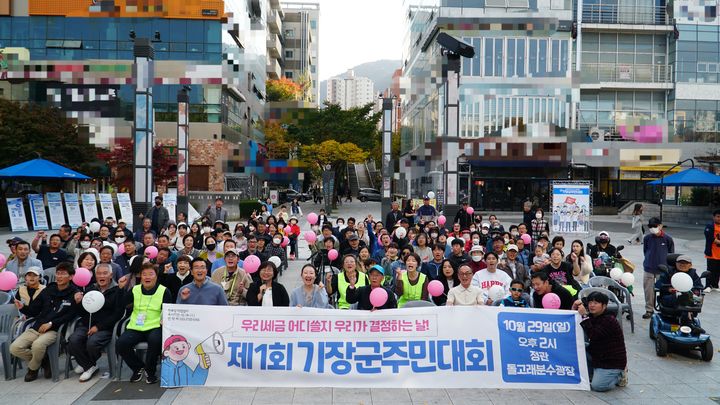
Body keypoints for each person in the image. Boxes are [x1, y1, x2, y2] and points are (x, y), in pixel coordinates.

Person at [11, 262, 80, 381]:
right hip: (37, 327)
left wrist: (51, 324)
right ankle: (43, 361)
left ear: (71, 276)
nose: (59, 276)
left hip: (55, 329)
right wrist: (23, 307)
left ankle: (32, 369)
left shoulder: (74, 293)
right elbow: (34, 310)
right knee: (15, 348)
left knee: (37, 345)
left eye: (63, 274)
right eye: (58, 273)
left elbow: (69, 315)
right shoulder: (49, 289)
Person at [116, 262, 173, 384]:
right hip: (136, 326)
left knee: (155, 341)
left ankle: (150, 371)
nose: (147, 277)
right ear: (140, 277)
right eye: (144, 274)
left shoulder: (164, 291)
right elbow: (121, 304)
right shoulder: (135, 290)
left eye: (150, 274)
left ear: (156, 276)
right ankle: (138, 367)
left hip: (156, 325)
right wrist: (120, 289)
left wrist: (164, 320)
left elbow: (169, 310)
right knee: (121, 343)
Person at [67, 263, 124, 382]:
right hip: (87, 324)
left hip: (106, 327)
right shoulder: (90, 289)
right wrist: (77, 302)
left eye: (105, 273)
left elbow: (117, 314)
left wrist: (98, 327)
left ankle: (86, 364)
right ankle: (89, 365)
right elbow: (83, 312)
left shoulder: (117, 290)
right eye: (99, 273)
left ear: (111, 275)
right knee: (73, 340)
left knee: (92, 343)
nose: (101, 276)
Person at [573, 292, 628, 392]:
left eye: (596, 303)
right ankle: (595, 373)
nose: (592, 305)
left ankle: (619, 376)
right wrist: (575, 307)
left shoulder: (609, 320)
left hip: (611, 362)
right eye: (590, 302)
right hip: (597, 355)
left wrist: (584, 315)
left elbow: (593, 335)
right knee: (577, 346)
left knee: (597, 386)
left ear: (604, 306)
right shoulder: (594, 316)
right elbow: (577, 321)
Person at [642, 217, 674, 319]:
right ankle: (649, 310)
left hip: (663, 270)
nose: (652, 228)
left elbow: (671, 254)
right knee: (648, 291)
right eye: (650, 226)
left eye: (655, 226)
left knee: (664, 290)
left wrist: (669, 269)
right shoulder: (647, 238)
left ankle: (663, 308)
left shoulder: (668, 239)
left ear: (660, 226)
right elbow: (645, 251)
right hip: (649, 268)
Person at [655, 255, 703, 320]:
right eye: (680, 263)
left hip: (689, 296)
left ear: (690, 265)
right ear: (676, 263)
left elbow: (698, 286)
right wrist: (668, 289)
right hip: (670, 296)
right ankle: (687, 317)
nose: (682, 265)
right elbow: (658, 285)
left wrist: (694, 291)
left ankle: (688, 319)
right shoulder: (668, 272)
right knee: (680, 298)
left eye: (685, 263)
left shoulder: (693, 274)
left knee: (694, 299)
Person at [704, 209, 720, 292]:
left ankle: (715, 285)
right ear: (713, 217)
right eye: (718, 216)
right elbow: (709, 237)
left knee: (718, 271)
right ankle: (708, 286)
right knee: (710, 270)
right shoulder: (710, 226)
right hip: (712, 253)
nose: (719, 218)